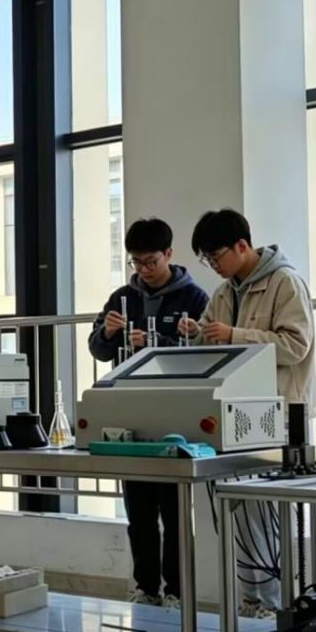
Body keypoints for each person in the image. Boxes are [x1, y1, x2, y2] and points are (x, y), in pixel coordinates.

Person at [183, 208, 316, 619]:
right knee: (241, 513)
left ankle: (280, 604)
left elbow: (296, 346)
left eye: (216, 256)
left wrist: (235, 335)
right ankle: (253, 600)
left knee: (274, 513)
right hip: (238, 415)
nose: (213, 265)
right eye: (206, 259)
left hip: (281, 414)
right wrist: (195, 334)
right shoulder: (225, 293)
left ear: (242, 245)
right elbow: (210, 341)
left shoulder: (285, 282)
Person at [88, 218, 210, 608]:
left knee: (175, 512)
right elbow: (98, 350)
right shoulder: (122, 297)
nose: (143, 269)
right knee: (138, 509)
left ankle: (177, 591)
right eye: (136, 262)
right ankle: (146, 587)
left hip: (176, 413)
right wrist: (108, 333)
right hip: (130, 410)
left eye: (150, 261)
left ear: (169, 254)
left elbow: (205, 354)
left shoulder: (194, 298)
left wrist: (159, 342)